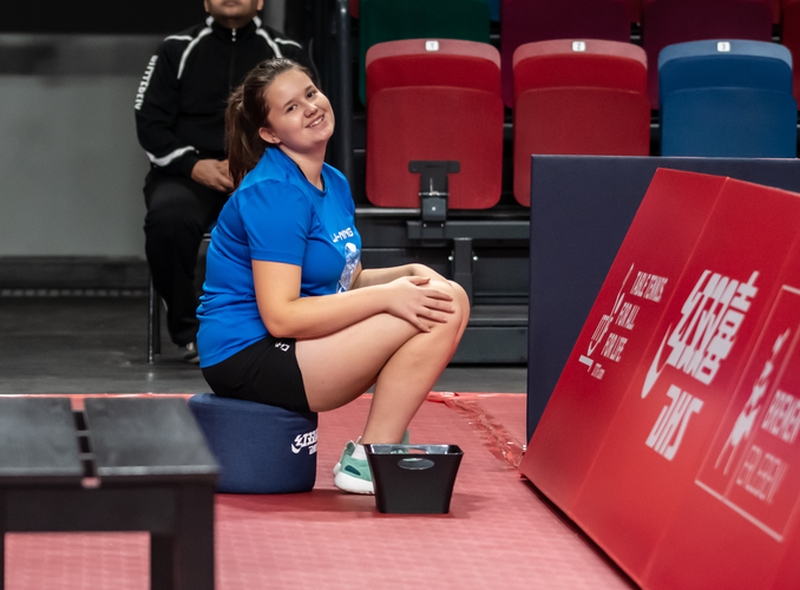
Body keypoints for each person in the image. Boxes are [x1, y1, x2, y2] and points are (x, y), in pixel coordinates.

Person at [196, 59, 470, 494]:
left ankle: (377, 446)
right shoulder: (276, 193)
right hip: (247, 354)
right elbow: (281, 317)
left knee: (442, 292)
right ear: (269, 133)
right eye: (289, 108)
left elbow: (348, 281)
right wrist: (388, 298)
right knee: (443, 305)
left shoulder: (333, 181)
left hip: (292, 340)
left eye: (309, 93)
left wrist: (407, 274)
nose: (310, 107)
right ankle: (368, 458)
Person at [134, 0, 314, 363]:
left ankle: (275, 326)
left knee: (288, 225)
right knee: (167, 221)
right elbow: (149, 122)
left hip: (264, 174)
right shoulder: (176, 48)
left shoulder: (286, 53)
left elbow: (306, 121)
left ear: (261, 2)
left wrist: (260, 168)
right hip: (191, 174)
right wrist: (193, 165)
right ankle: (192, 332)